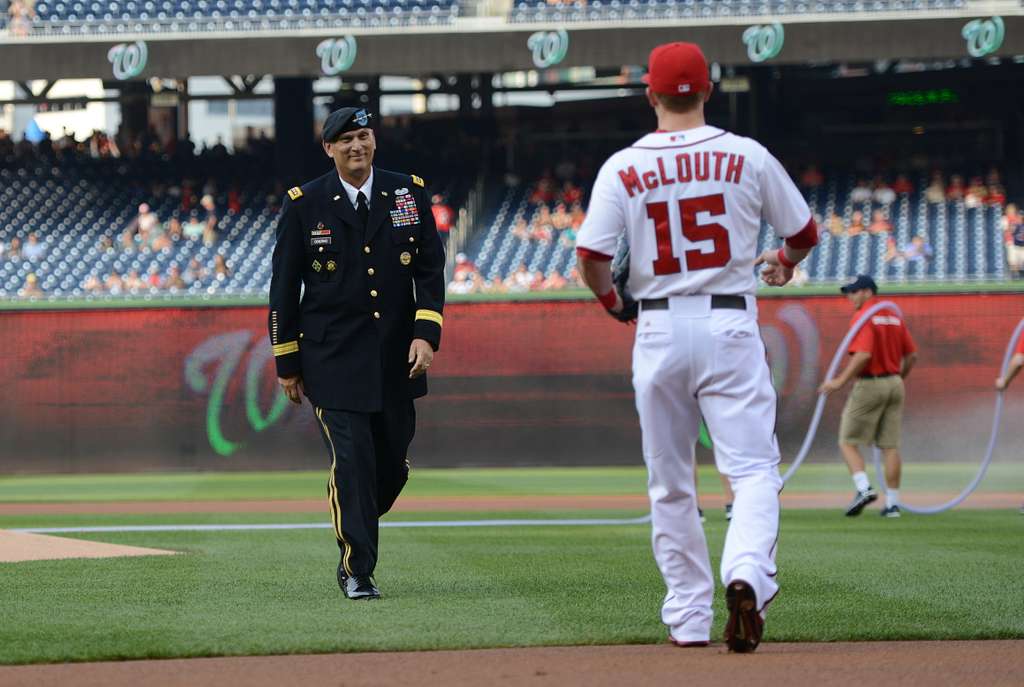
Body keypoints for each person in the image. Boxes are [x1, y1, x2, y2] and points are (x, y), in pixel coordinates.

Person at [574, 42, 819, 654]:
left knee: (670, 482)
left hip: (657, 327)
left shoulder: (623, 165)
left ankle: (687, 617)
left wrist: (614, 305)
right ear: (708, 90)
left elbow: (591, 258)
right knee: (752, 469)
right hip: (730, 323)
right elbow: (804, 232)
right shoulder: (746, 154)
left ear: (651, 95)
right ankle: (748, 573)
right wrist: (783, 261)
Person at [268, 107, 445, 601]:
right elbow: (282, 291)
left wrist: (425, 334)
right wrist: (288, 363)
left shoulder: (407, 192)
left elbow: (430, 270)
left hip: (396, 360)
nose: (356, 147)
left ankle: (358, 506)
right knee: (351, 465)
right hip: (332, 362)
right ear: (329, 149)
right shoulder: (304, 204)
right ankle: (357, 571)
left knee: (388, 468)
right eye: (345, 140)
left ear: (374, 141)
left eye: (364, 136)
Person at [819, 275, 917, 519]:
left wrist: (839, 381)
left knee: (847, 440)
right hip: (895, 382)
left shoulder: (864, 316)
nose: (849, 297)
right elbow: (912, 355)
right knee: (889, 445)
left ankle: (864, 488)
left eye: (853, 292)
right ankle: (892, 505)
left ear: (866, 292)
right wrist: (896, 379)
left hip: (871, 383)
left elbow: (862, 355)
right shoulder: (893, 316)